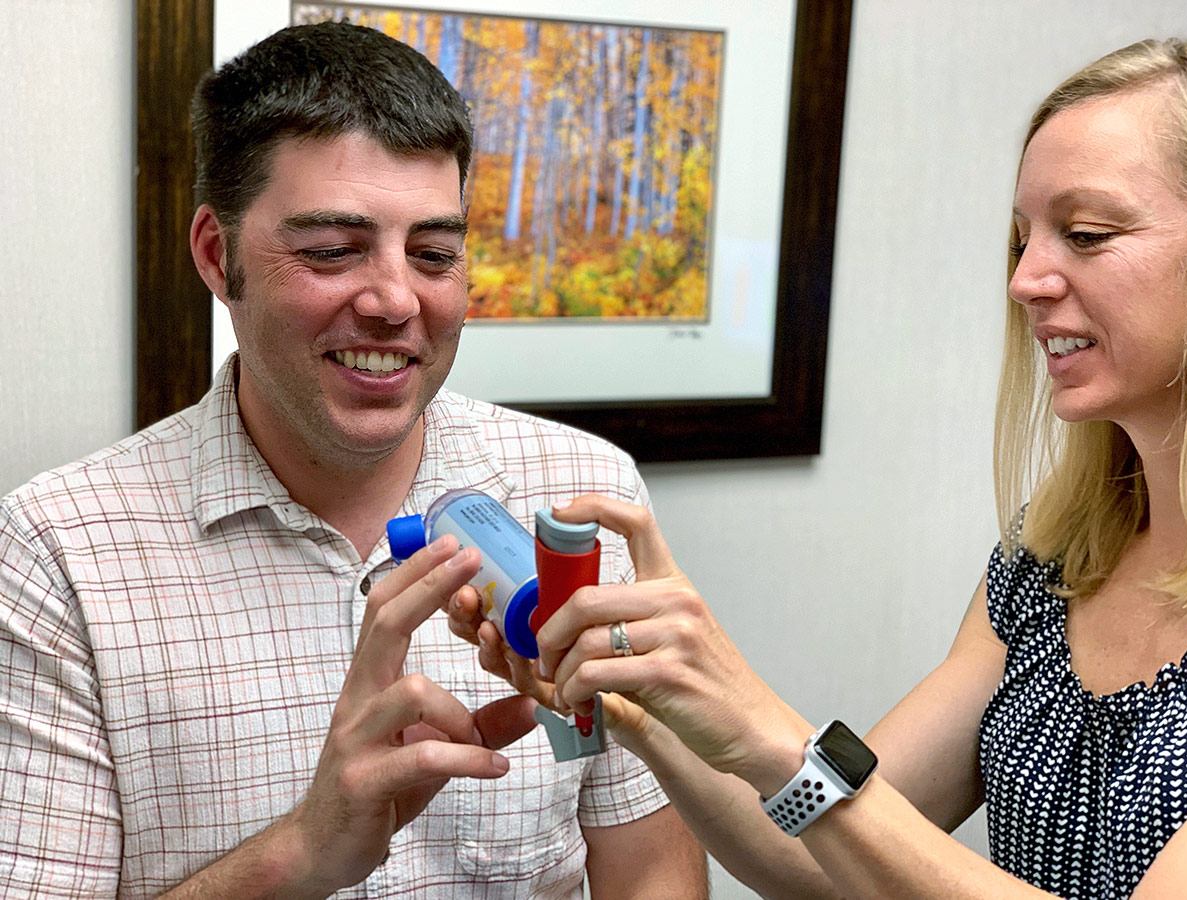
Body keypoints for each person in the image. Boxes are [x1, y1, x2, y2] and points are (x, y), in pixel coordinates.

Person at [452, 38, 1187, 900]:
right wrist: (642, 704)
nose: (1026, 279)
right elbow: (816, 861)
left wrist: (766, 727)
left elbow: (833, 810)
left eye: (1087, 234)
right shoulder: (1049, 566)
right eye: (1023, 240)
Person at [0, 21, 706, 900]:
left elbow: (652, 874)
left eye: (435, 254)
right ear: (219, 257)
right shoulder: (60, 550)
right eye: (332, 251)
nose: (395, 299)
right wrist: (300, 852)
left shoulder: (579, 497)